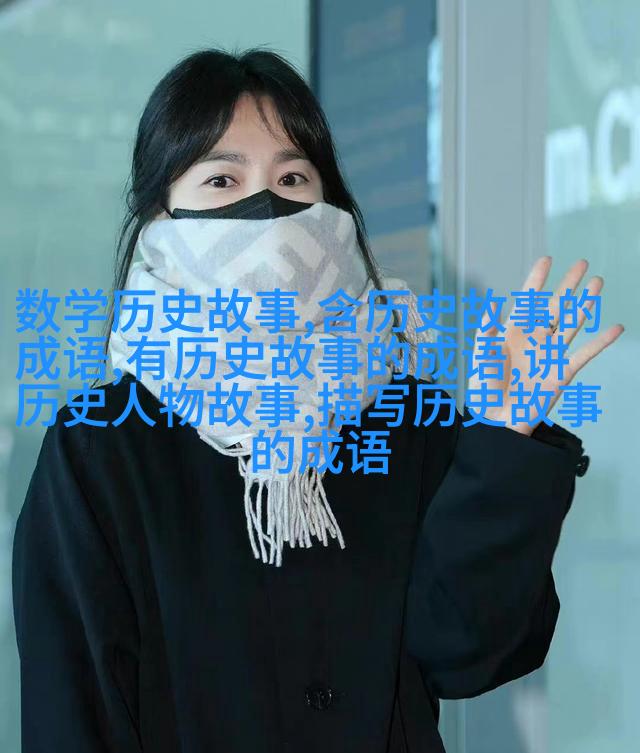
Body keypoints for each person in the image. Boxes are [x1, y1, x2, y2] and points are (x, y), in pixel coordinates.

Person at [11, 47, 623, 753]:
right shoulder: (102, 447)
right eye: (222, 178)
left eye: (293, 177)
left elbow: (468, 652)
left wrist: (504, 443)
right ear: (161, 214)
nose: (267, 207)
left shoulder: (401, 416)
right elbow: (74, 713)